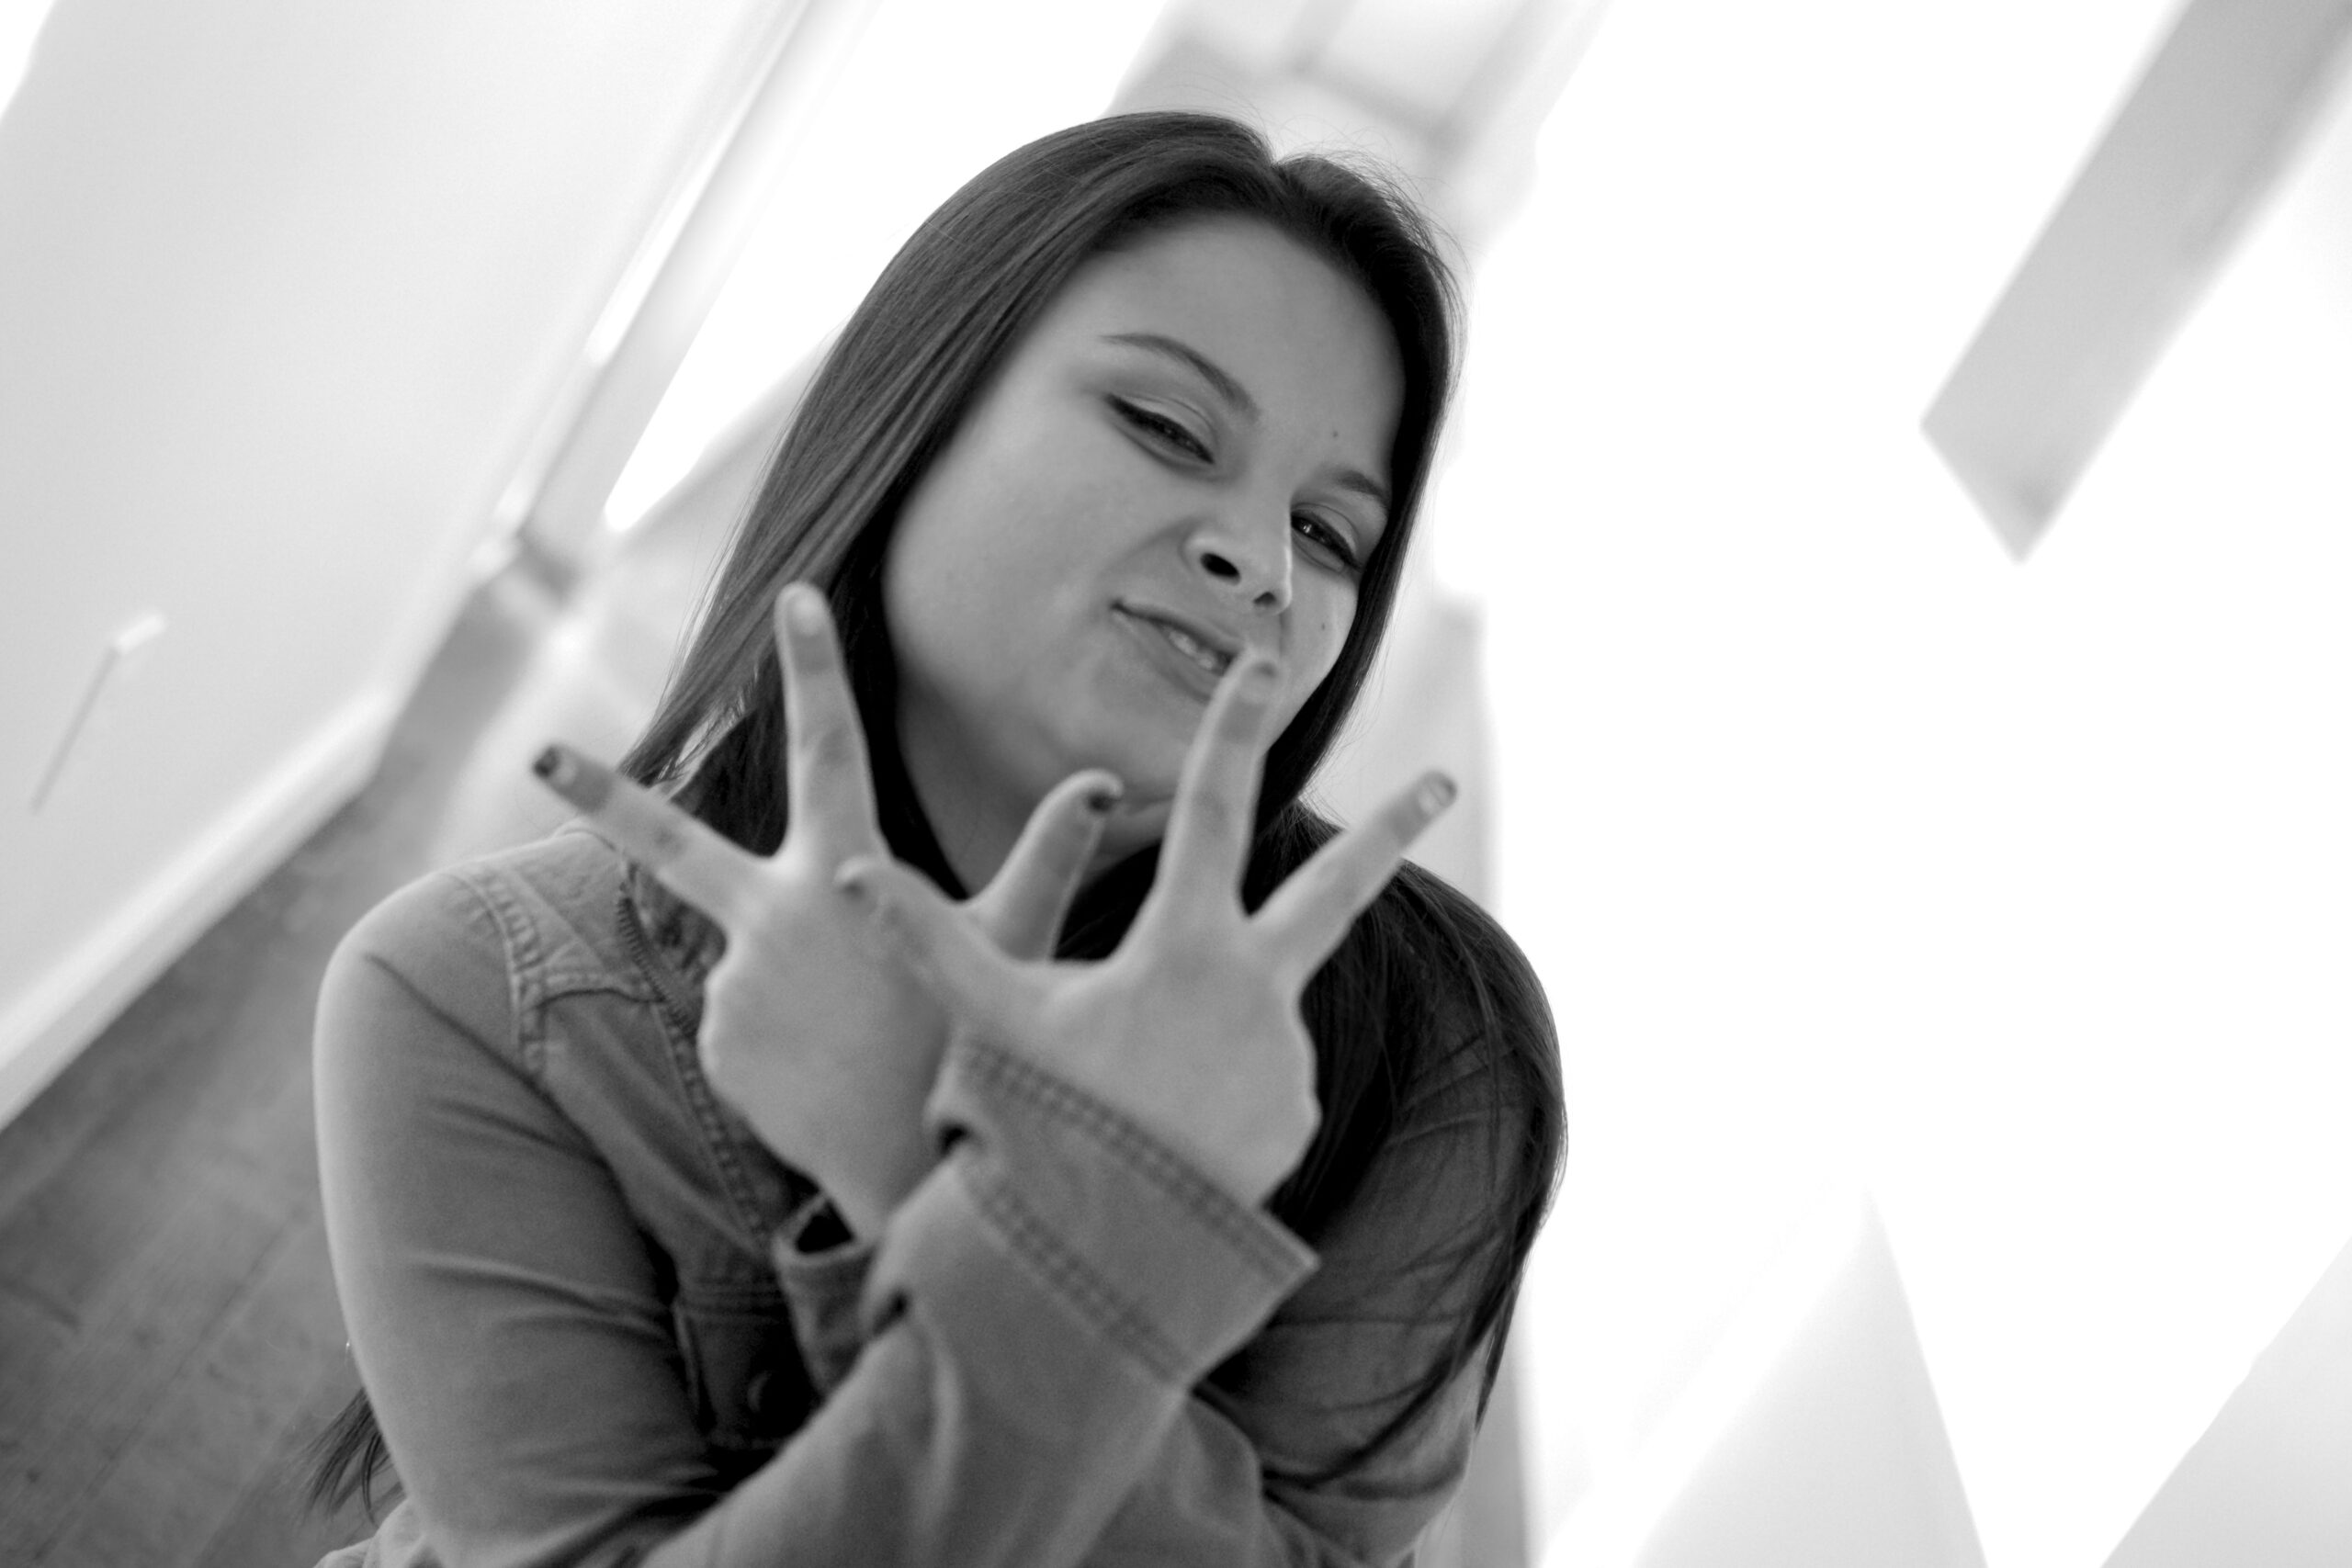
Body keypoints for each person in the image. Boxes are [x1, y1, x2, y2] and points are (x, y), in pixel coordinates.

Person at [309, 110, 1565, 1568]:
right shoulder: (482, 987)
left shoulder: (1438, 1045)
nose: (1263, 564)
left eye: (1332, 533)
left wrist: (913, 1155)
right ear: (917, 412)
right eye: (1167, 428)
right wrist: (1061, 1224)